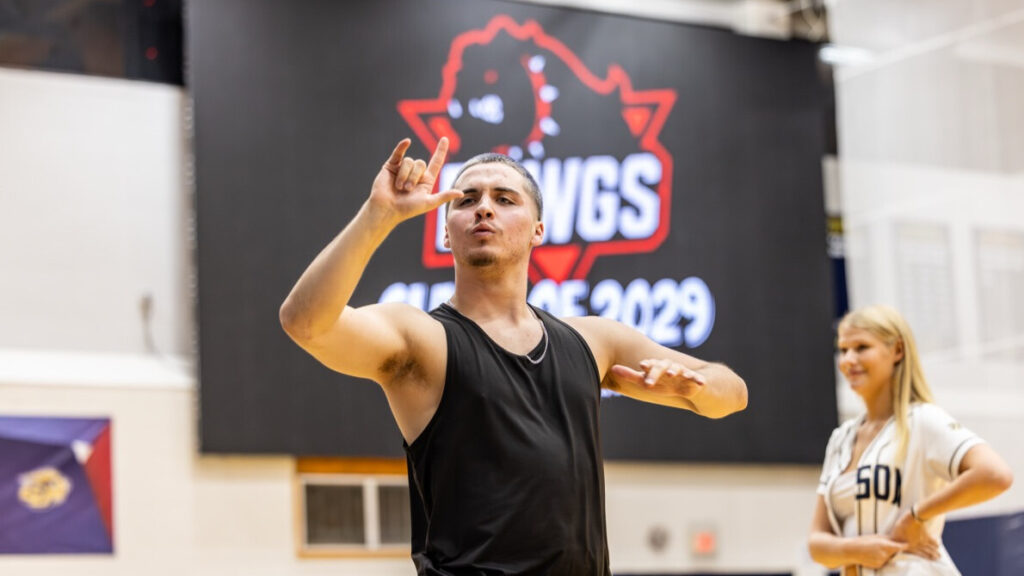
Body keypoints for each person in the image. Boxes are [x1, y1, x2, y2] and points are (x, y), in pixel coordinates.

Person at [279, 137, 748, 575]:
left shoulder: (593, 340)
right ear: (447, 232)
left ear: (537, 230)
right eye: (466, 200)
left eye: (504, 199)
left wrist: (697, 388)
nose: (483, 207)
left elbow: (734, 393)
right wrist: (376, 216)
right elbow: (305, 323)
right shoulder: (421, 339)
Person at [808, 305, 1013, 575]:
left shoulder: (923, 420)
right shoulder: (840, 439)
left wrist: (917, 516)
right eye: (843, 349)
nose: (848, 359)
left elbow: (994, 474)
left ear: (897, 351)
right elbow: (816, 544)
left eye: (861, 347)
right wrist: (859, 549)